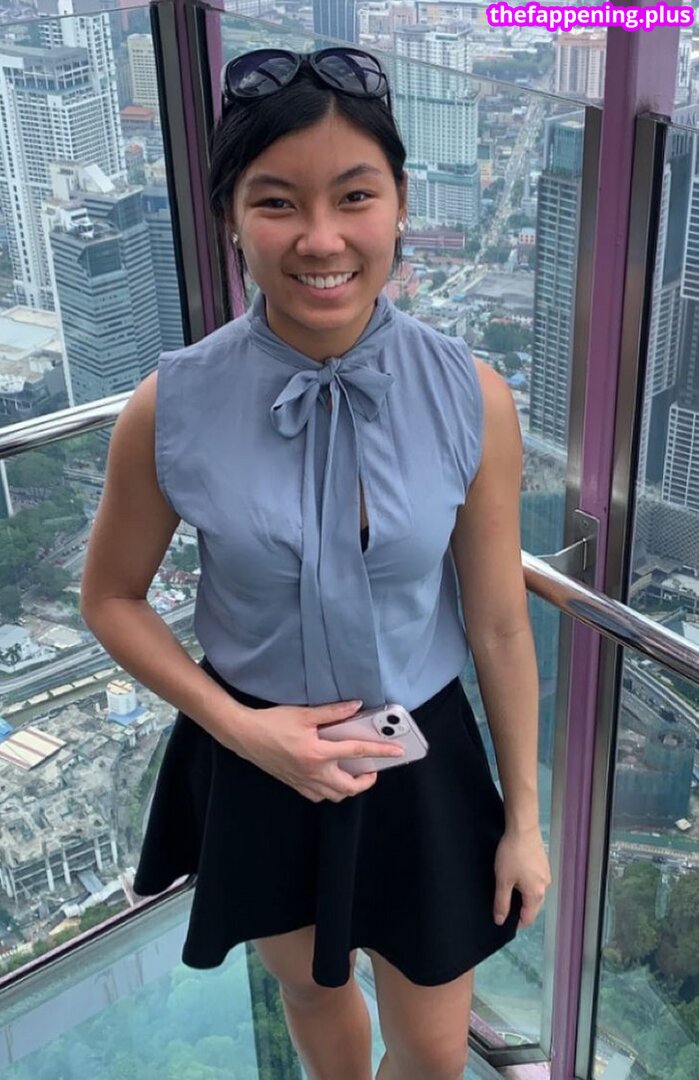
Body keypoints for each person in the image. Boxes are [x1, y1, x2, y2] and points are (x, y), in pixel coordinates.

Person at [80, 46, 551, 1080]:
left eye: (354, 196)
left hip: (420, 756)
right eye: (277, 202)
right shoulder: (172, 406)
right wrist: (242, 730)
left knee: (433, 1050)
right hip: (257, 752)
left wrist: (525, 818)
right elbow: (109, 598)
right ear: (231, 218)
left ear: (400, 204)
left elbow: (497, 622)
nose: (322, 238)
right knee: (310, 994)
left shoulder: (468, 395)